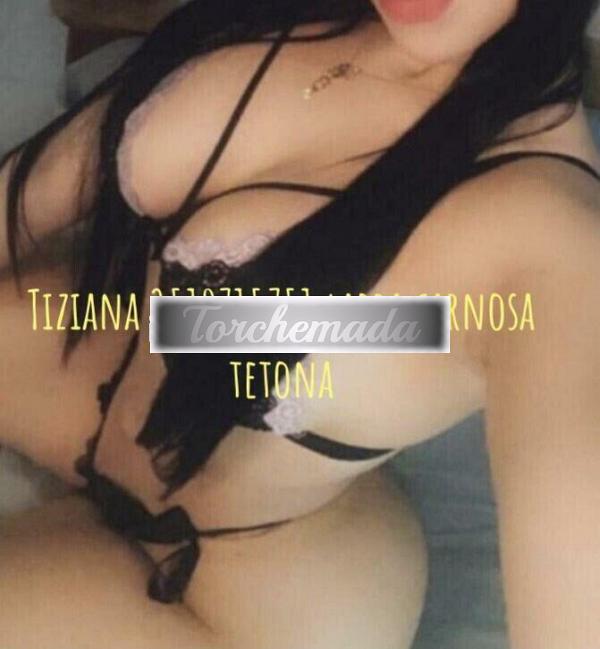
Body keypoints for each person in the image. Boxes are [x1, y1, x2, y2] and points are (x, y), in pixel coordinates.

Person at [1, 1, 599, 648]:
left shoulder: (553, 245)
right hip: (106, 369)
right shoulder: (304, 17)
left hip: (232, 590)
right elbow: (31, 191)